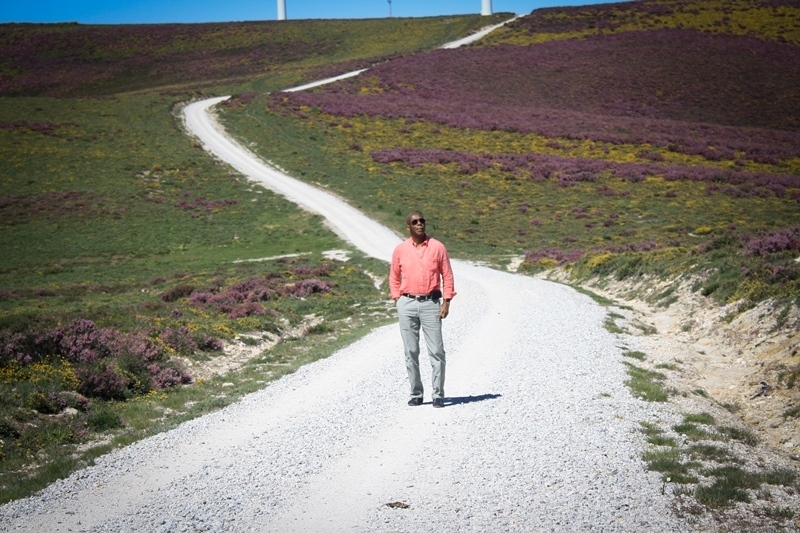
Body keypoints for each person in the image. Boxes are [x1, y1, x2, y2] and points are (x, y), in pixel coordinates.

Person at [389, 211, 456, 408]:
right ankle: (416, 393)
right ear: (408, 227)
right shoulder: (400, 249)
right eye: (415, 222)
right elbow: (393, 276)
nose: (419, 224)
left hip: (430, 304)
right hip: (407, 304)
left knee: (437, 351)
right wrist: (397, 299)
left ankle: (438, 394)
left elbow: (447, 275)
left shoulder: (437, 247)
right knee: (411, 351)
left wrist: (446, 301)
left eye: (422, 221)